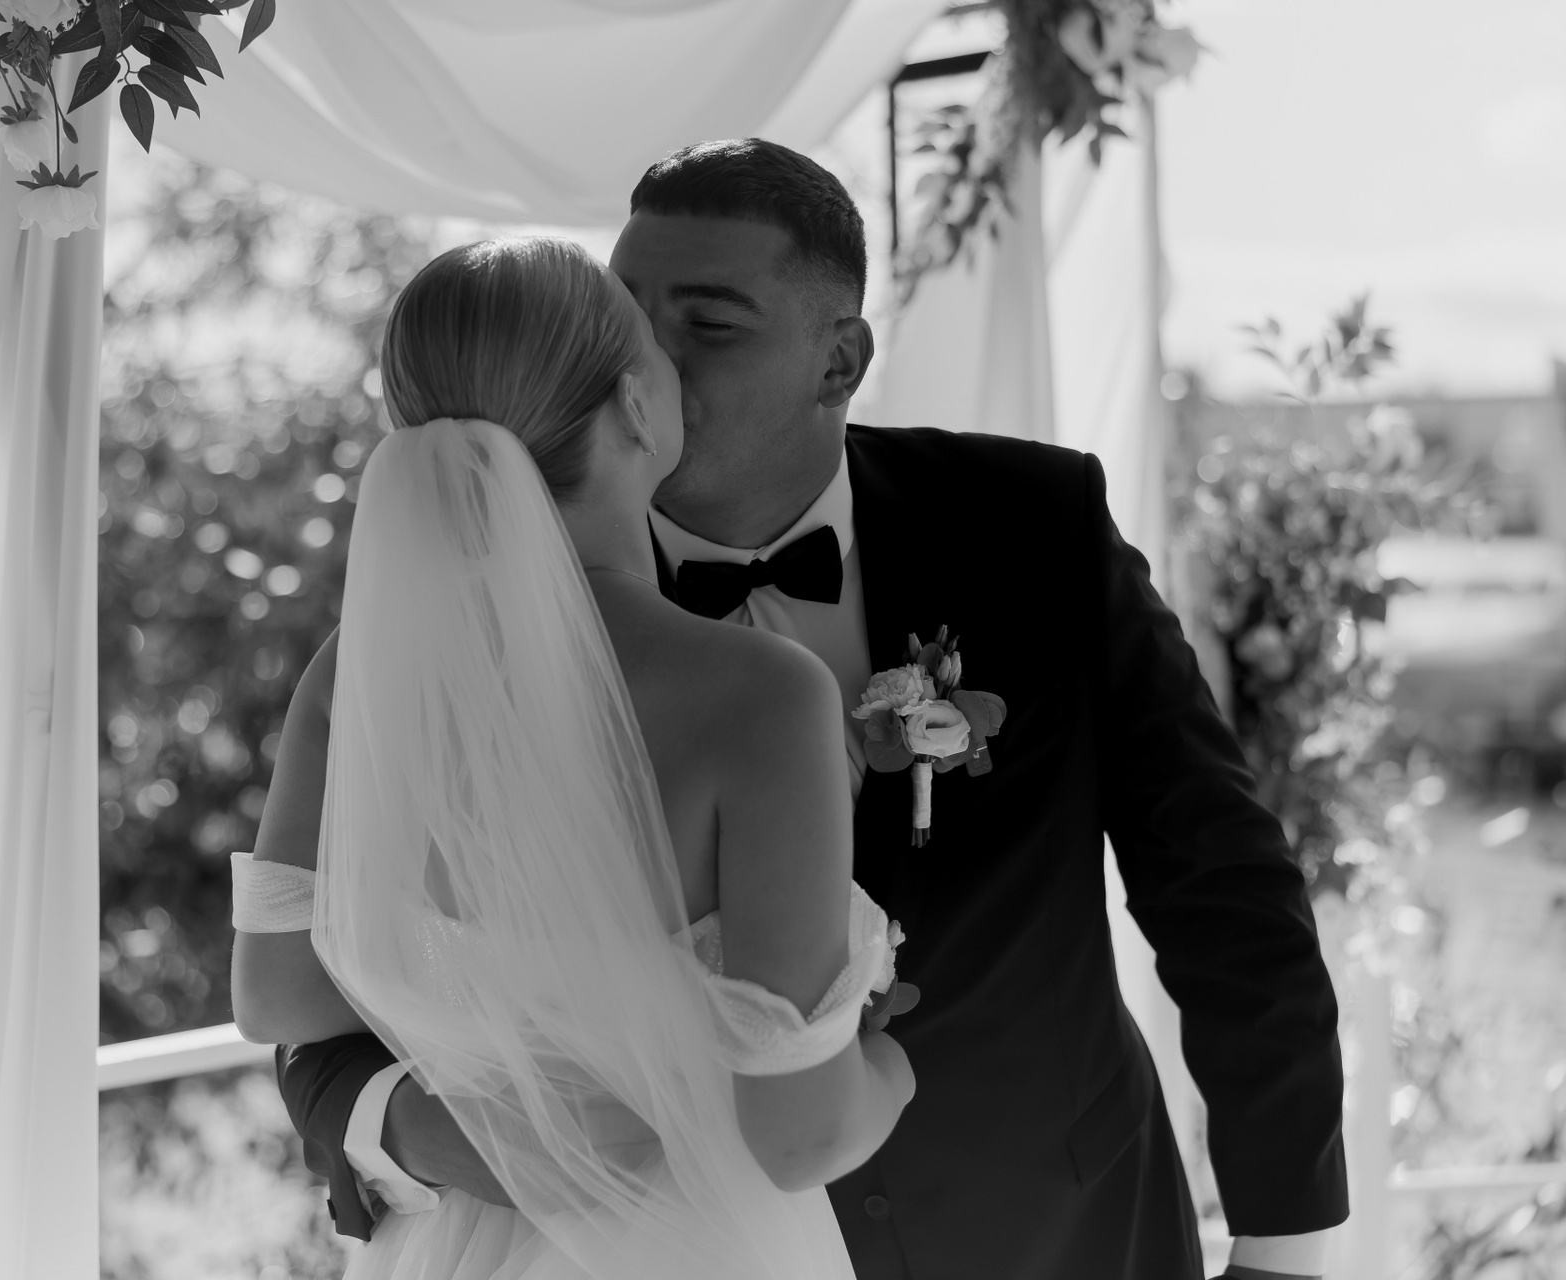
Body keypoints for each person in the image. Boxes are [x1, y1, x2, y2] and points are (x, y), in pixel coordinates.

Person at [265, 140, 1350, 1280]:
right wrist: (403, 1126)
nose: (652, 359)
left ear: (840, 361)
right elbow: (328, 977)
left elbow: (1221, 883)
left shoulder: (1031, 521)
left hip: (1054, 1234)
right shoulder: (449, 632)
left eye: (709, 323)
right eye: (627, 314)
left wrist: (1285, 1253)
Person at [230, 235, 917, 1280]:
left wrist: (496, 1072)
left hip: (453, 1245)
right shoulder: (760, 694)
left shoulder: (359, 670)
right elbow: (803, 1135)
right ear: (638, 405)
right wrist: (890, 1066)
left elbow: (275, 995)